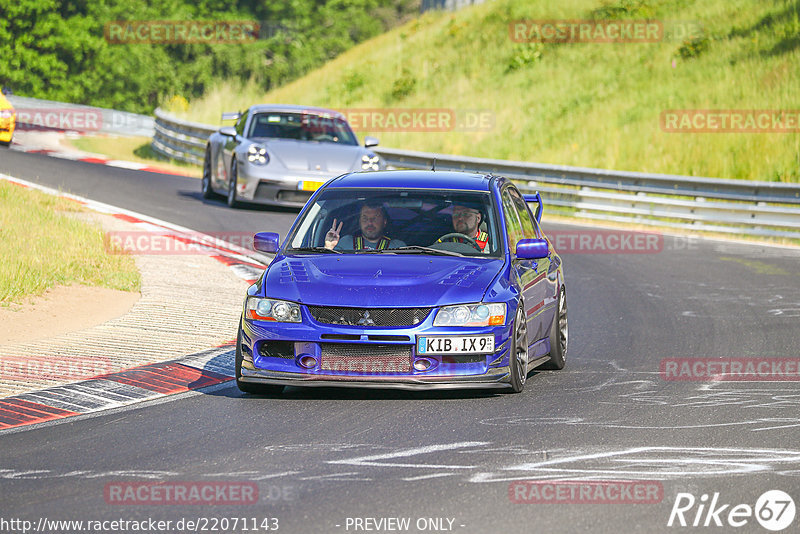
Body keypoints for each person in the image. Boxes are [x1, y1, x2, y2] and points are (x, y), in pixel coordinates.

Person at [324, 202, 406, 251]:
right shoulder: (345, 242)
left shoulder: (398, 247)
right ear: (359, 221)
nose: (370, 222)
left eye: (375, 218)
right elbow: (326, 266)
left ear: (384, 222)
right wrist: (328, 247)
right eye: (365, 218)